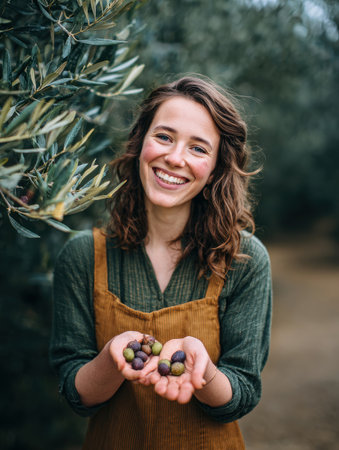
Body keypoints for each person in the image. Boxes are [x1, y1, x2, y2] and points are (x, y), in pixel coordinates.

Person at [50, 76, 272, 449]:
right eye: (165, 137)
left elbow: (243, 391)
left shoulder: (244, 261)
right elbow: (76, 394)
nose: (175, 157)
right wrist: (111, 358)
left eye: (198, 148)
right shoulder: (83, 257)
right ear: (140, 144)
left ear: (216, 168)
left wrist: (203, 372)